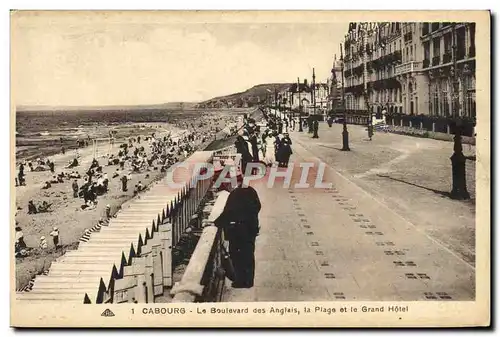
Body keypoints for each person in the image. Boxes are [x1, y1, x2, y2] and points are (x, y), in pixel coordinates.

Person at [214, 178, 261, 288]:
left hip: (237, 230)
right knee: (249, 255)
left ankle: (239, 281)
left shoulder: (234, 194)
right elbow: (258, 206)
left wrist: (216, 223)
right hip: (250, 229)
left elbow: (228, 212)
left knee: (236, 255)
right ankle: (249, 281)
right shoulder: (251, 191)